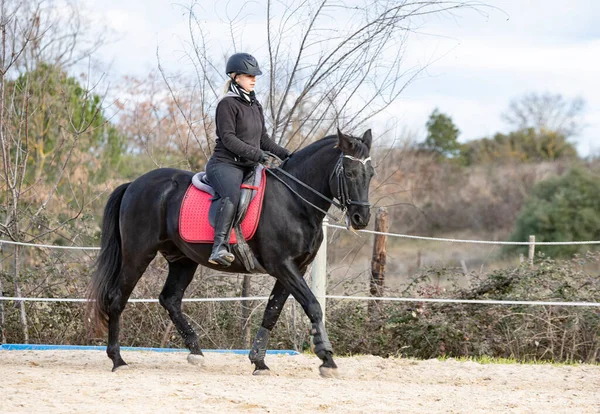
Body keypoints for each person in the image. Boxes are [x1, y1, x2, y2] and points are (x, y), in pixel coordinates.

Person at [206, 52, 290, 266]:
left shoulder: (254, 105)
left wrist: (287, 154)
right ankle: (219, 246)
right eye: (248, 75)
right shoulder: (227, 104)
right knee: (232, 195)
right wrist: (259, 156)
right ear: (235, 77)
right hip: (225, 164)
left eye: (255, 76)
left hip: (249, 165)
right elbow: (228, 138)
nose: (253, 79)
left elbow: (263, 139)